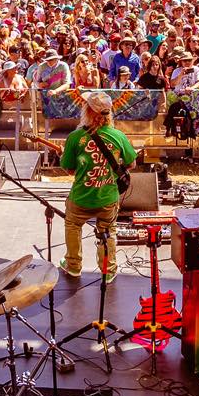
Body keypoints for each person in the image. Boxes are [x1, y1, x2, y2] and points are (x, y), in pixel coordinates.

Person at [58, 92, 136, 283]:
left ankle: (74, 266)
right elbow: (131, 164)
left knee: (73, 226)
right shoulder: (118, 136)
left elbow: (69, 170)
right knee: (108, 230)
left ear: (88, 111)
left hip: (81, 197)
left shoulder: (75, 137)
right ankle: (108, 269)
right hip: (107, 197)